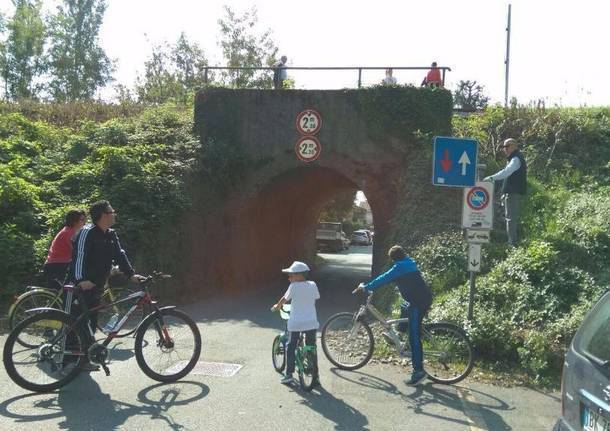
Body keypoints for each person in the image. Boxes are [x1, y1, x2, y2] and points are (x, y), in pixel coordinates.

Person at [68, 200, 144, 370]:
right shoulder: (87, 232)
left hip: (97, 286)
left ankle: (83, 360)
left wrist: (131, 274)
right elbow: (79, 257)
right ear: (103, 216)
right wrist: (81, 280)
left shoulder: (110, 234)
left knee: (91, 323)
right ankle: (70, 361)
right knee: (78, 322)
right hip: (81, 286)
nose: (114, 214)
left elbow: (120, 255)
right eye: (112, 211)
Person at [353, 245, 433, 386]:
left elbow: (384, 278)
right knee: (404, 306)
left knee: (414, 336)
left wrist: (366, 287)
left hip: (418, 302)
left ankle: (419, 371)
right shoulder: (408, 262)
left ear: (393, 259)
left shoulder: (400, 267)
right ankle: (398, 334)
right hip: (418, 299)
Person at [271, 261, 320, 386]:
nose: (289, 277)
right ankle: (315, 375)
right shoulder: (313, 285)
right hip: (311, 322)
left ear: (299, 275)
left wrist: (277, 306)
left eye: (291, 275)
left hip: (296, 323)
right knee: (311, 347)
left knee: (291, 346)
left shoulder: (293, 287)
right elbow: (315, 297)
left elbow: (284, 299)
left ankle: (288, 375)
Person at [483, 138, 527, 247]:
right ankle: (511, 241)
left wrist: (491, 178)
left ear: (514, 146)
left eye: (507, 146)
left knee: (510, 218)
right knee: (510, 217)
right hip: (511, 192)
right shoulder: (513, 158)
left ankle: (512, 243)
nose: (504, 149)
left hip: (513, 193)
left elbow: (506, 172)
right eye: (503, 147)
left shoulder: (516, 159)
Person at [43, 209, 87, 290]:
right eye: (82, 220)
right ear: (74, 221)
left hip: (58, 265)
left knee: (60, 294)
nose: (85, 222)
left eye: (85, 219)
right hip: (57, 266)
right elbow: (78, 251)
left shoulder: (69, 231)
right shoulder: (69, 233)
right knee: (62, 294)